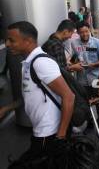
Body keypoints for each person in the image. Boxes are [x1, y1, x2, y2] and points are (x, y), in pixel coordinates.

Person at [5, 21, 75, 161]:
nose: (7, 44)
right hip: (40, 132)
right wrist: (6, 108)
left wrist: (60, 137)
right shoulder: (27, 63)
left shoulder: (41, 63)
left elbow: (69, 96)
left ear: (28, 41)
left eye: (11, 40)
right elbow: (29, 95)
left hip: (49, 134)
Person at [70, 22, 99, 116]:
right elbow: (74, 57)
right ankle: (89, 122)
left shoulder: (97, 43)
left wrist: (92, 65)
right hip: (82, 81)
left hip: (96, 78)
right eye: (81, 32)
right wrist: (73, 64)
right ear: (78, 33)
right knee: (85, 104)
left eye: (86, 31)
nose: (84, 34)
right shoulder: (74, 43)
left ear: (89, 30)